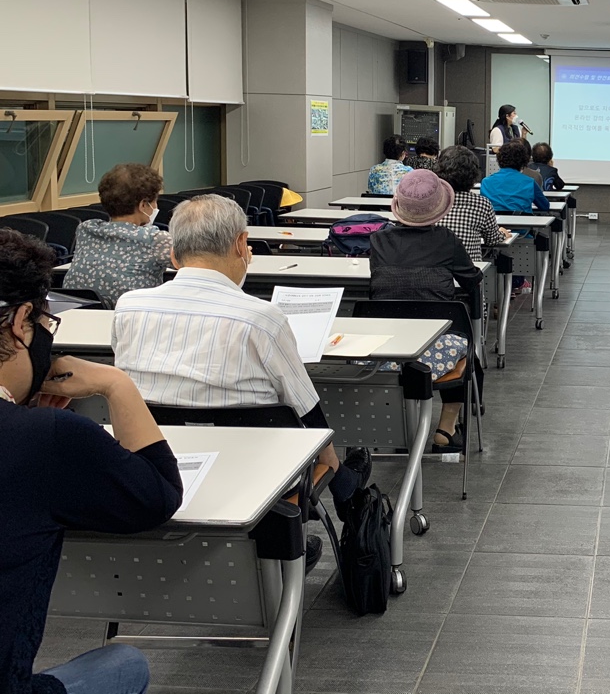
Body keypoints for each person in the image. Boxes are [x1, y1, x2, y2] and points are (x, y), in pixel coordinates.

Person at [112, 195, 365, 566]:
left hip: (158, 468)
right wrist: (332, 464)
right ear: (241, 244)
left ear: (174, 256)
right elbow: (305, 408)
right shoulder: (261, 317)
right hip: (257, 475)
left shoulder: (129, 306)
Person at [0, 227, 182, 694]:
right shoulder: (47, 438)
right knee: (125, 662)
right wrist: (115, 384)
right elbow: (158, 496)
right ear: (20, 322)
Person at [370, 170, 481, 453]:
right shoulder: (446, 240)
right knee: (461, 342)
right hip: (437, 344)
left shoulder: (378, 241)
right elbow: (472, 280)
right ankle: (446, 429)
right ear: (439, 207)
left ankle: (400, 425)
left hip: (385, 346)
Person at [63, 162, 172, 307]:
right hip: (132, 314)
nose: (156, 206)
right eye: (155, 201)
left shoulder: (86, 230)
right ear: (143, 205)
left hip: (76, 313)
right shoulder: (155, 239)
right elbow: (193, 264)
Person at [436, 146, 511, 261]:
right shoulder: (482, 204)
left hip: (435, 269)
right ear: (473, 174)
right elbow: (492, 240)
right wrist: (502, 233)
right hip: (469, 269)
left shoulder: (432, 202)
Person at [481, 140, 550, 213]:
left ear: (499, 159)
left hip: (495, 220)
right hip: (523, 220)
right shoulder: (530, 183)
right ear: (524, 161)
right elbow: (545, 206)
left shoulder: (486, 182)